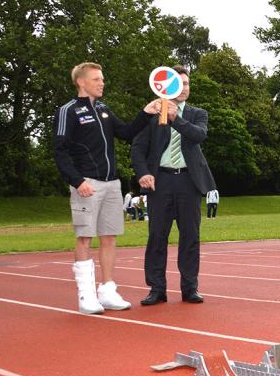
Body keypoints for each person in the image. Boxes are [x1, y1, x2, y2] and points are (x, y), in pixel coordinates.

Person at [53, 62, 160, 314]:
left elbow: (126, 132)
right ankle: (86, 295)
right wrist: (77, 181)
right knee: (84, 237)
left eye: (102, 79)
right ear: (81, 82)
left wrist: (146, 112)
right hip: (86, 184)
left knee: (109, 237)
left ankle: (108, 290)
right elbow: (59, 150)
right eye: (97, 79)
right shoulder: (68, 111)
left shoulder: (103, 109)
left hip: (112, 183)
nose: (102, 83)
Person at [131, 65, 216, 305]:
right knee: (157, 236)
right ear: (167, 87)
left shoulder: (198, 113)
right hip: (161, 181)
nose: (185, 88)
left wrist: (174, 118)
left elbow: (199, 135)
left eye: (187, 84)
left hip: (189, 181)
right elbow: (138, 148)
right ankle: (157, 289)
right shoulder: (152, 114)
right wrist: (143, 173)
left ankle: (190, 287)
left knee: (190, 236)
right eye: (180, 84)